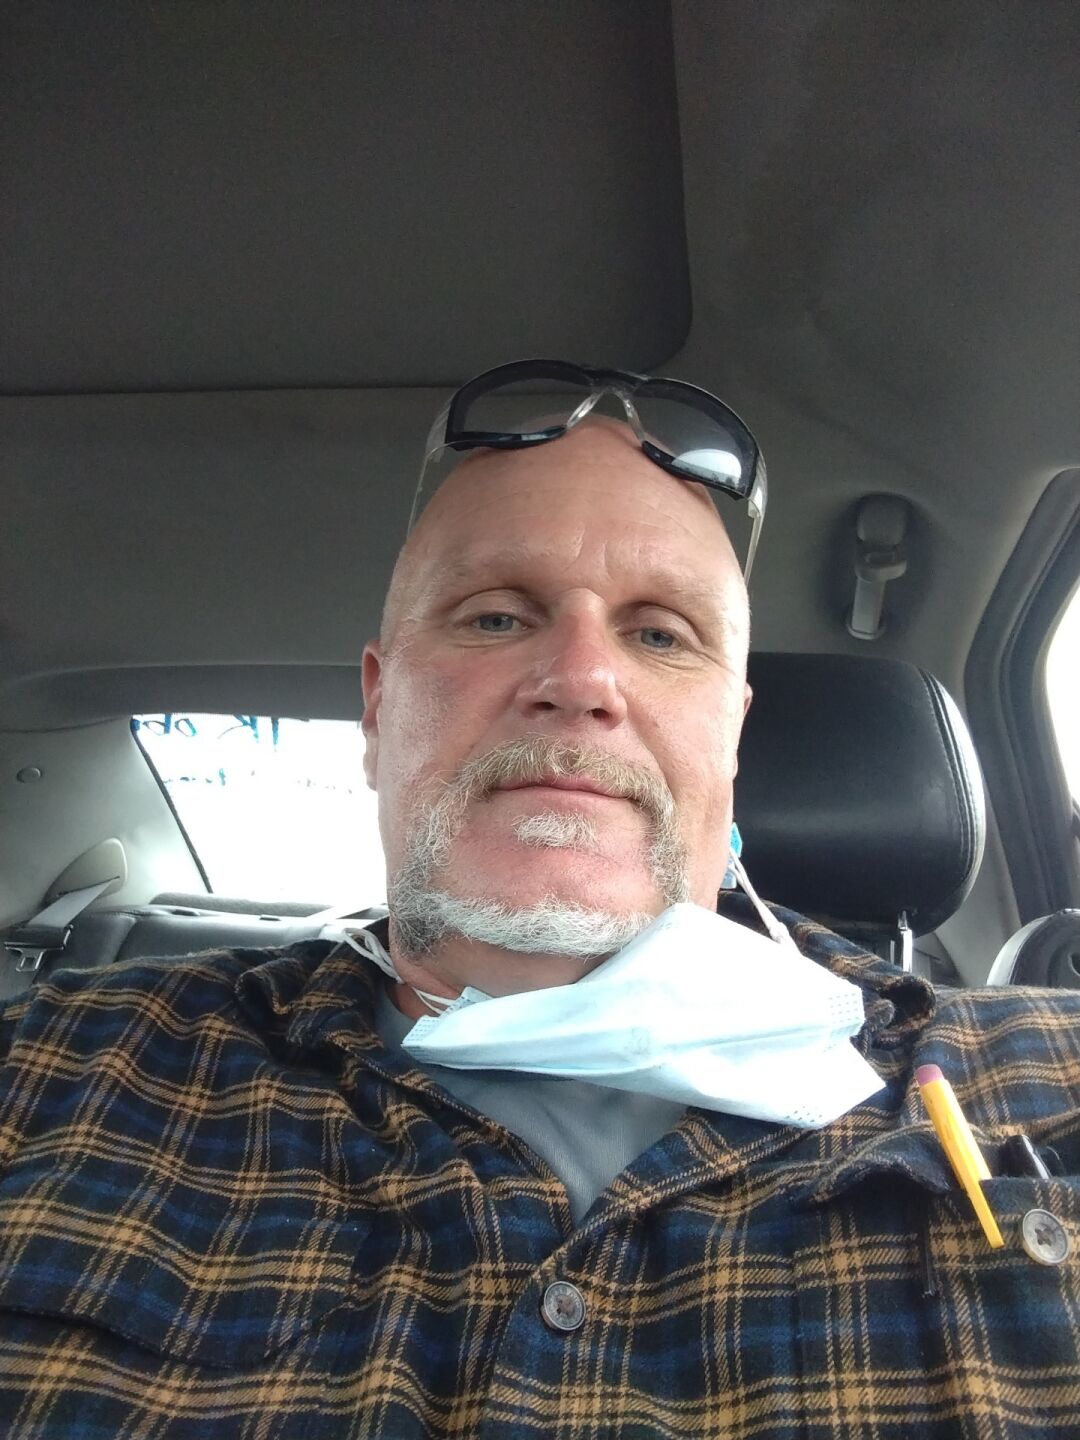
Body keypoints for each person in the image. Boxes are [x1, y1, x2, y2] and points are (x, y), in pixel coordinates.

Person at [0, 362, 1078, 1438]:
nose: (581, 678)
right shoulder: (52, 1071)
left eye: (659, 635)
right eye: (494, 618)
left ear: (732, 738)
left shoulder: (1050, 1084)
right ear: (376, 709)